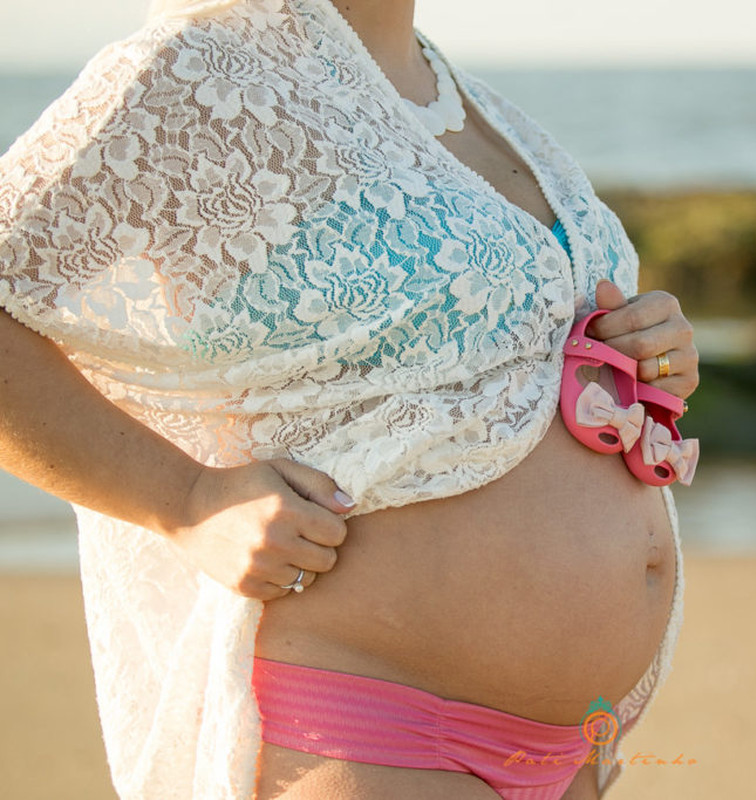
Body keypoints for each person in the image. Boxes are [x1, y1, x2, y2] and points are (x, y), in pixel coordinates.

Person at [0, 0, 699, 797]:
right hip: (372, 726)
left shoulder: (460, 94)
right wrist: (187, 501)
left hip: (570, 751)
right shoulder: (200, 69)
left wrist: (646, 357)